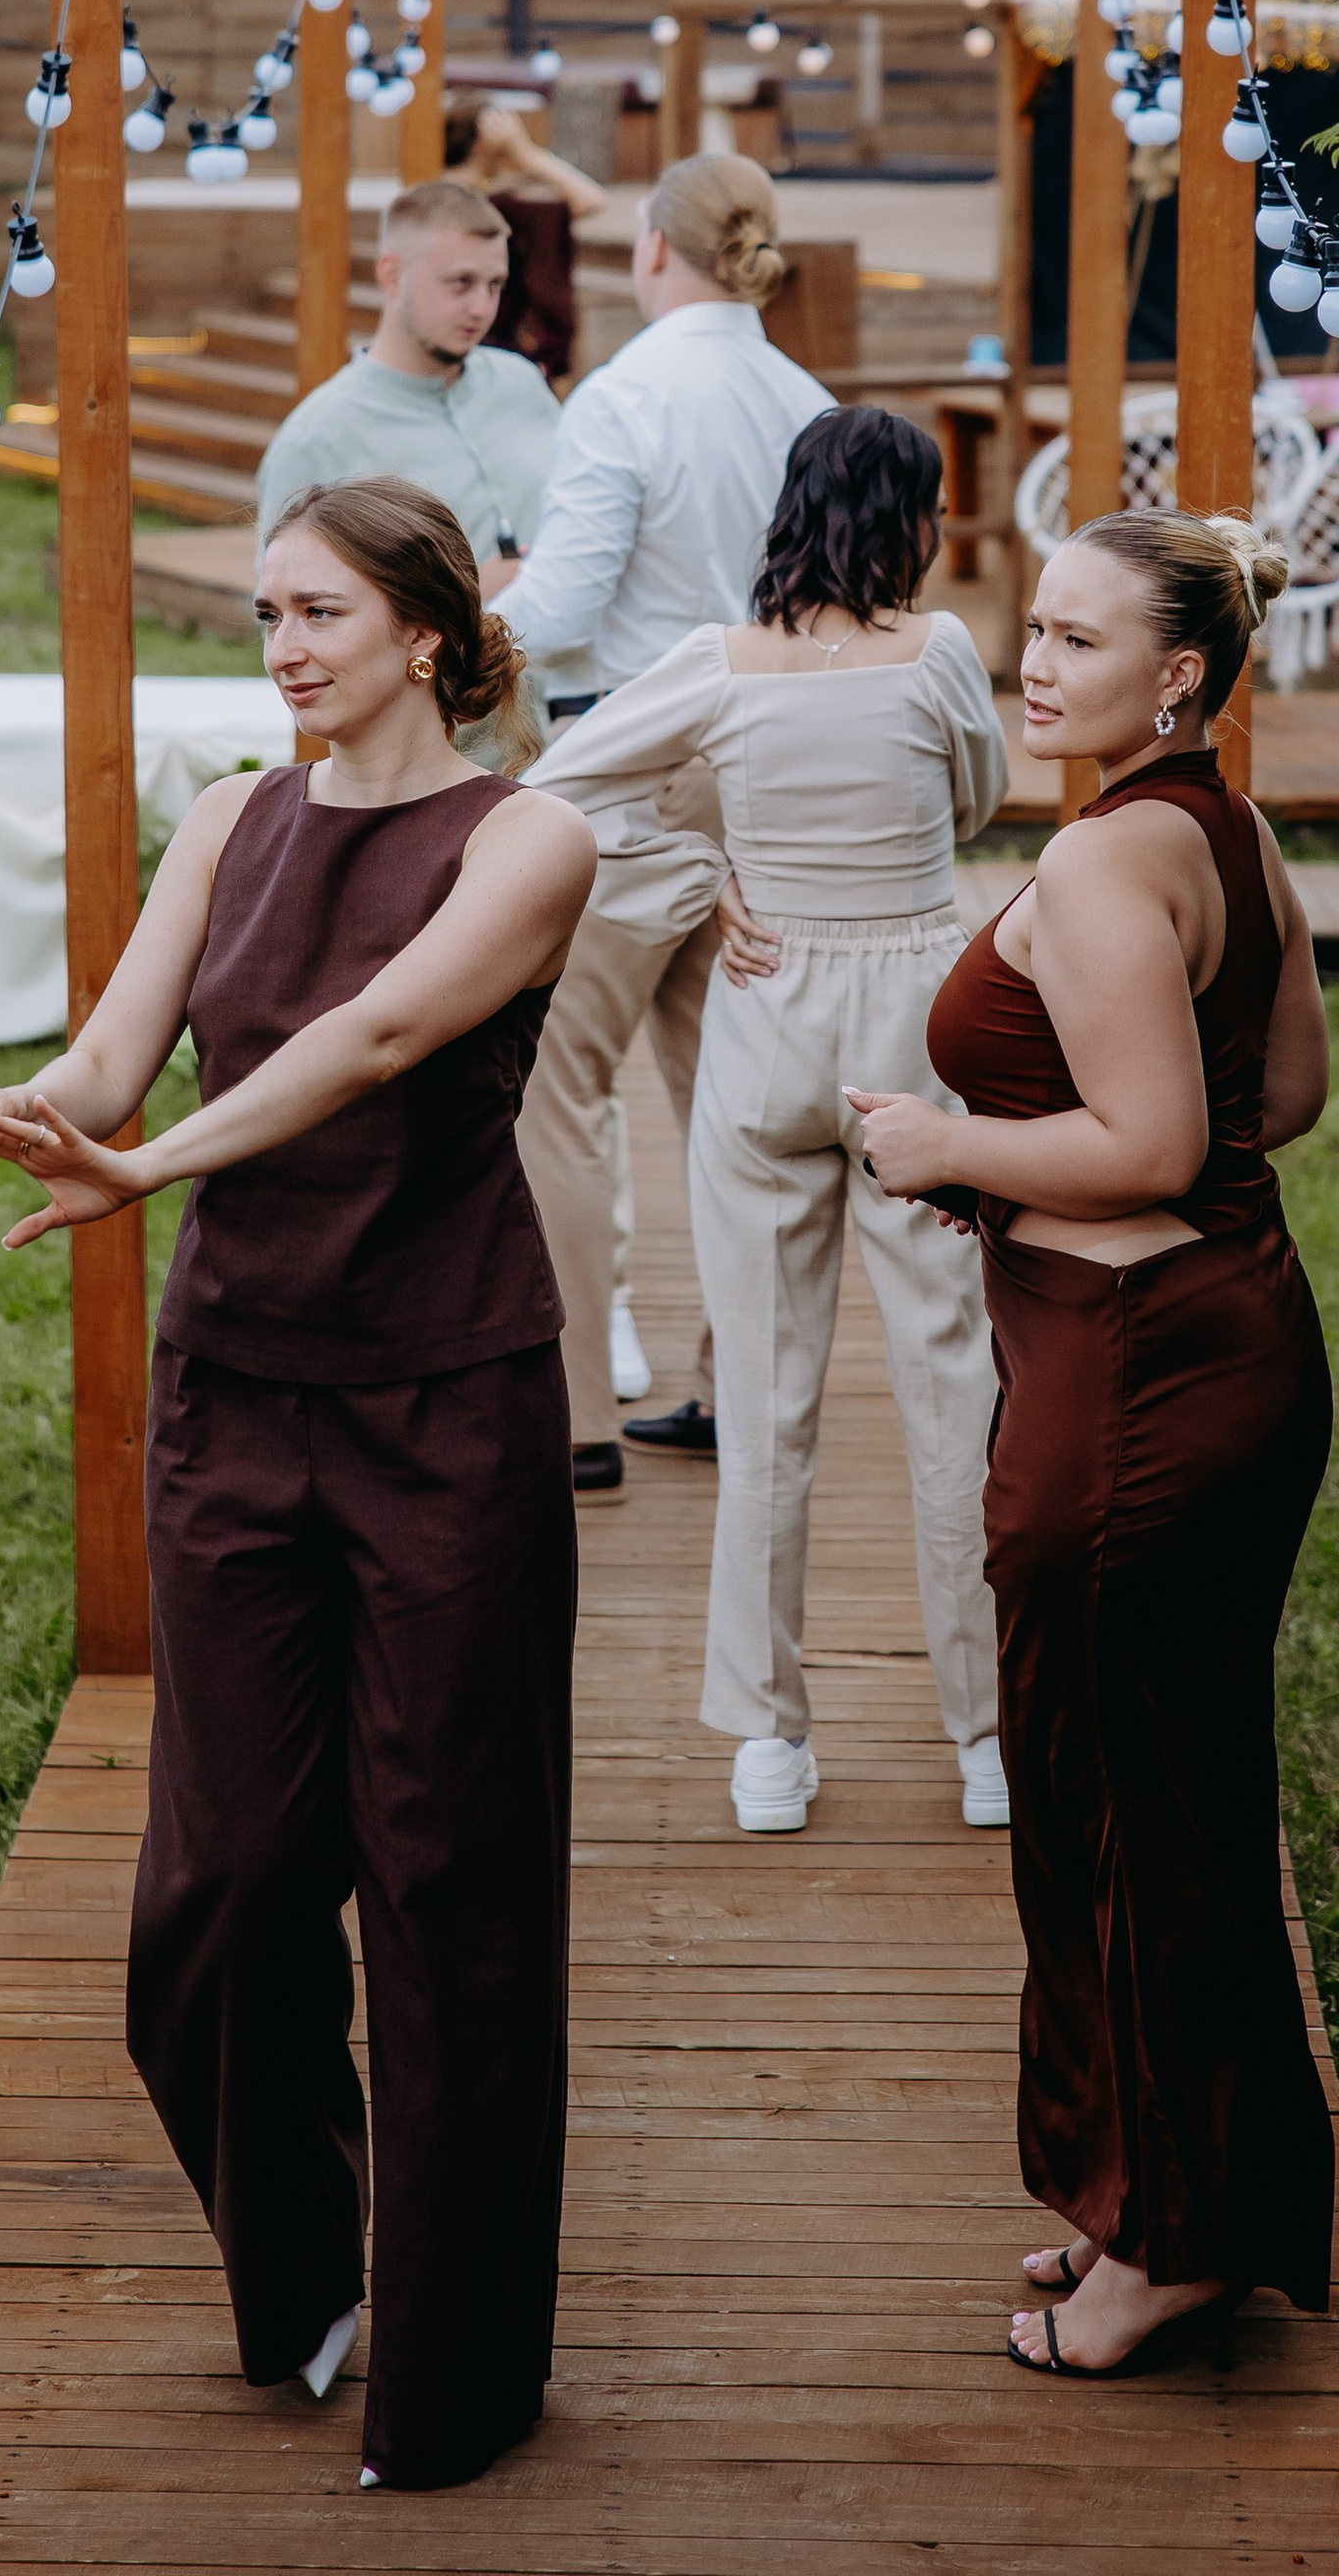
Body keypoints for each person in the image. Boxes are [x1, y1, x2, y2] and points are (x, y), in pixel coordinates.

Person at [0, 475, 596, 2493]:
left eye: (315, 612)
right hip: (239, 1404)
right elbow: (112, 1067)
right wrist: (33, 1115)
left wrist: (157, 1167)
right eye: (262, 611)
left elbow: (372, 1038)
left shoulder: (529, 839)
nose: (277, 646)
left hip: (449, 1401)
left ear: (427, 634)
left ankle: (456, 2376)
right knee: (218, 1892)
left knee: (450, 1889)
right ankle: (304, 2272)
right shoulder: (227, 820)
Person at [854, 510, 1336, 2382]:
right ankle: (1151, 2197)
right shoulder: (1223, 824)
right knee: (1160, 1803)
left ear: (1181, 677)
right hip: (1213, 1342)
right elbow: (1280, 1090)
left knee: (1122, 1817)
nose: (1031, 663)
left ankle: (1172, 2247)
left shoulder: (1103, 857)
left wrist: (946, 1145)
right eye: (1028, 629)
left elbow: (1149, 1143)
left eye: (1073, 640)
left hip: (1132, 1381)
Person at [537, 408, 1008, 1834]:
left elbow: (558, 785)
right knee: (954, 1389)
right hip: (916, 1028)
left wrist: (701, 869)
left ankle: (767, 1743)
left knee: (765, 1398)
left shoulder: (714, 664)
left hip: (768, 1017)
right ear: (914, 517)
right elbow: (982, 805)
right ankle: (985, 1739)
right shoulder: (941, 654)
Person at [489, 152, 831, 1490]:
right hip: (771, 767)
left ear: (648, 251)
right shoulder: (807, 400)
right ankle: (724, 1386)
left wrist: (441, 625)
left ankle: (574, 1415)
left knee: (556, 1086)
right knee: (731, 1096)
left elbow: (564, 602)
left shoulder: (625, 395)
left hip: (634, 756)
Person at [256, 179, 565, 610]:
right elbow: (287, 619)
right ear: (391, 274)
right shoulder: (318, 438)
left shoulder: (521, 383)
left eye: (495, 285)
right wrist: (470, 599)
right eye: (461, 282)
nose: (482, 307)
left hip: (578, 674)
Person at [439, 94, 609, 383]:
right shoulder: (502, 208)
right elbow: (591, 199)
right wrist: (526, 153)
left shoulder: (428, 194)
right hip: (497, 346)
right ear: (484, 142)